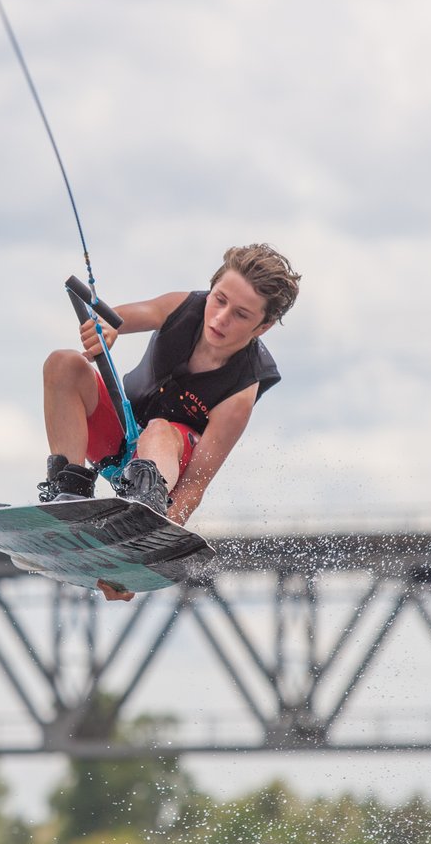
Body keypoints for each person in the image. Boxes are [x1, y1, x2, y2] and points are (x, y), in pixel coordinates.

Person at [40, 243, 300, 600]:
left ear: (263, 326)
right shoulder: (183, 306)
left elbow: (194, 486)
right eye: (219, 299)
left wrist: (139, 561)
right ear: (211, 290)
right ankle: (68, 491)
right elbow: (123, 317)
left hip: (162, 472)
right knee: (64, 363)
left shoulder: (242, 391)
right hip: (116, 438)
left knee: (160, 428)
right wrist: (108, 329)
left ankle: (142, 511)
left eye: (241, 314)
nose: (221, 318)